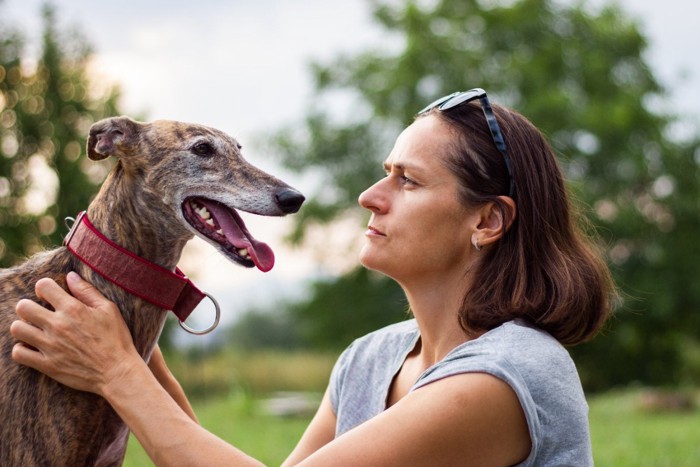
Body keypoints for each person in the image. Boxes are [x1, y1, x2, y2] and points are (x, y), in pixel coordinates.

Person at [10, 88, 616, 466]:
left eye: (407, 180)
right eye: (385, 172)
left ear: (487, 220)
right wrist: (136, 346)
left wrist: (118, 370)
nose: (370, 196)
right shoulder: (369, 361)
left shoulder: (507, 377)